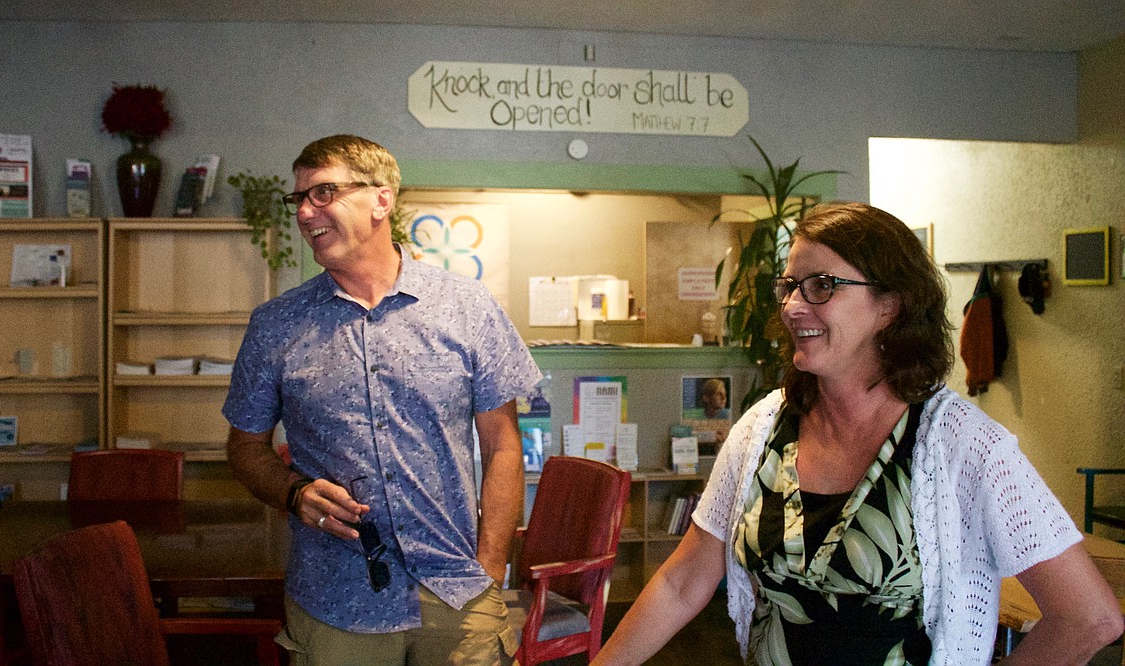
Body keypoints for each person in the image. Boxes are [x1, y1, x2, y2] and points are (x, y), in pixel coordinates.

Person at [594, 202, 1122, 665]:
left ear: (889, 305)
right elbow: (682, 582)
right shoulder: (761, 430)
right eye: (790, 286)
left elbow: (1090, 618)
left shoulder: (964, 447)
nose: (793, 306)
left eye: (822, 286)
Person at [222, 134, 541, 666]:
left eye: (323, 193)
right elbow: (244, 448)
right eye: (297, 198)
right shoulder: (276, 325)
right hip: (335, 605)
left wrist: (489, 566)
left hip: (458, 598)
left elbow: (503, 447)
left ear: (381, 200)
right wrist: (294, 493)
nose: (304, 212)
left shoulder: (468, 308)